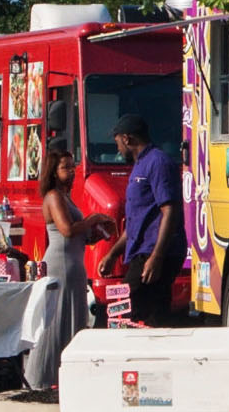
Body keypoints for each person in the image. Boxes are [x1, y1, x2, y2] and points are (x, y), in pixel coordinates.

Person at [26, 142, 110, 389]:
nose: (71, 171)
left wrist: (98, 232)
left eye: (72, 166)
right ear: (54, 171)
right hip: (59, 265)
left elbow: (79, 236)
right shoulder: (53, 196)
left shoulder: (66, 198)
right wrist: (92, 218)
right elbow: (66, 229)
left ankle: (64, 378)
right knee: (55, 322)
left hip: (74, 265)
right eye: (65, 167)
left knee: (73, 321)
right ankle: (40, 378)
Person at [105, 115, 183, 326]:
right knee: (153, 317)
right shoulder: (139, 166)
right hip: (140, 251)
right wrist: (113, 254)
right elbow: (136, 222)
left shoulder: (158, 162)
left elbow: (170, 211)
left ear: (127, 139)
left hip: (154, 253)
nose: (118, 149)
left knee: (122, 309)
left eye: (118, 143)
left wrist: (157, 257)